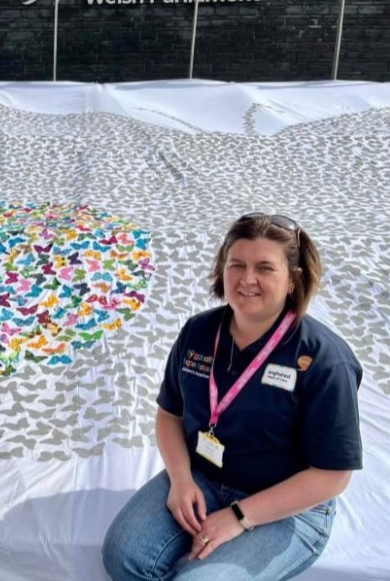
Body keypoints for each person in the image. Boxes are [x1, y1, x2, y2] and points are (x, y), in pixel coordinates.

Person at [102, 213, 362, 581]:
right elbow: (170, 414)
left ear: (293, 279)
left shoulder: (324, 360)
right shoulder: (198, 332)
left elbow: (332, 476)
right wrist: (181, 480)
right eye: (236, 264)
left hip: (289, 508)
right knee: (123, 556)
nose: (247, 278)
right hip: (203, 478)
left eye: (264, 268)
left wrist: (240, 516)